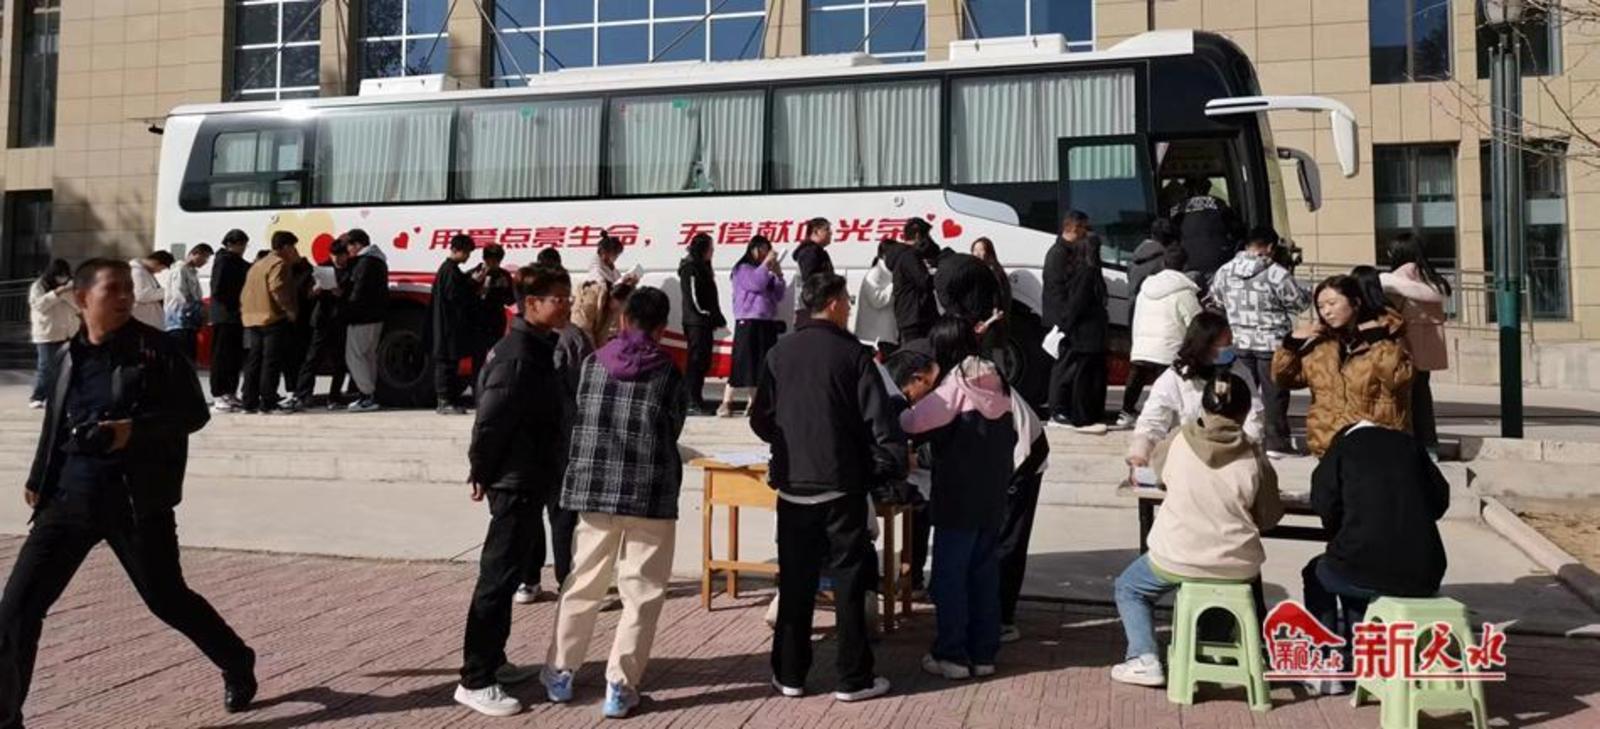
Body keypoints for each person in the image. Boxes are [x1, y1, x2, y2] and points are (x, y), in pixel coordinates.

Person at [1, 259, 258, 728]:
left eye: (128, 289)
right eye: (113, 290)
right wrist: (39, 477)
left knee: (167, 599)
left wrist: (131, 431)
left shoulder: (156, 350)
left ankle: (237, 660)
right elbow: (54, 422)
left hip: (135, 503)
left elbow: (193, 415)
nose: (125, 298)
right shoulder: (67, 355)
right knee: (16, 611)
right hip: (68, 501)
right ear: (82, 298)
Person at [751, 272, 903, 703]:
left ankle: (790, 675)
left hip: (793, 486)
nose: (850, 307)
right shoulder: (854, 355)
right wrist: (883, 466)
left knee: (795, 583)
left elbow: (760, 418)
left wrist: (791, 442)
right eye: (848, 301)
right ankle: (853, 678)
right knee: (849, 584)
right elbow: (880, 424)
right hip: (841, 485)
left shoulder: (780, 352)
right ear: (834, 303)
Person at [541, 287, 688, 719]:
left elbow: (576, 413)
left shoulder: (592, 363)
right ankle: (620, 687)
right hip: (650, 492)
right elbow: (673, 427)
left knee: (583, 582)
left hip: (594, 487)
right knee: (642, 591)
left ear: (623, 320)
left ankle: (561, 672)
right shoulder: (668, 372)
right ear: (661, 329)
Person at [1109, 373, 1282, 688]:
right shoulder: (1254, 455)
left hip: (1176, 555)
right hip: (1237, 563)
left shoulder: (1178, 440)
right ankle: (1214, 650)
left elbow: (1160, 475)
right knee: (1220, 585)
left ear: (1203, 407)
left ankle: (1144, 658)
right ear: (1245, 413)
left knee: (1129, 588)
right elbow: (1269, 516)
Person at [455, 263, 573, 718]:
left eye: (566, 296)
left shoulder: (538, 347)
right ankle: (475, 679)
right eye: (558, 298)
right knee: (497, 577)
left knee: (506, 578)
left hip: (532, 474)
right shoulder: (517, 354)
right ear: (532, 304)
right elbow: (491, 419)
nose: (565, 304)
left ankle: (495, 661)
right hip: (514, 479)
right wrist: (481, 470)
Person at [899, 318, 1017, 680]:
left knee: (950, 577)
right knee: (983, 575)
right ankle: (983, 654)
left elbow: (910, 423)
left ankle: (951, 654)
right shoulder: (997, 380)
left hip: (957, 497)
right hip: (992, 496)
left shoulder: (956, 385)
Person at [1303, 422, 1449, 695]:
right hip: (1424, 572)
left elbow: (1324, 504)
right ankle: (1367, 659)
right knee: (1352, 570)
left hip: (1358, 564)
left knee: (1322, 573)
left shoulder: (1342, 448)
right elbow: (1440, 501)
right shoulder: (1410, 445)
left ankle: (1325, 664)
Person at [1272, 275, 1413, 458]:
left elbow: (1400, 380)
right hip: (1328, 444)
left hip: (1377, 445)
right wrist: (1290, 347)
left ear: (1356, 303)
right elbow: (1284, 380)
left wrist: (1379, 342)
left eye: (1332, 303)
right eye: (1321, 307)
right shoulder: (1321, 345)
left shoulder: (1388, 336)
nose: (1326, 312)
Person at [1208, 225, 1310, 458]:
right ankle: (1276, 442)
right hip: (1271, 342)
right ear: (1271, 247)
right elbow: (1299, 303)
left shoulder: (1225, 270)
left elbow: (1216, 299)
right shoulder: (1276, 273)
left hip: (1239, 340)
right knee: (1274, 393)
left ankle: (1235, 436)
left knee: (1241, 392)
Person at [1127, 312, 1264, 468]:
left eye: (1231, 342)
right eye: (1225, 344)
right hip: (1188, 454)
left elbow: (1254, 414)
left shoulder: (1238, 371)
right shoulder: (1175, 378)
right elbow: (1152, 421)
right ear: (1205, 346)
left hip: (1232, 453)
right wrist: (1140, 453)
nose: (1231, 348)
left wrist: (1249, 450)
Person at [1381, 234, 1450, 457]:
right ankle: (1429, 444)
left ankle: (1405, 445)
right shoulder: (1433, 282)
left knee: (1401, 399)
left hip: (1402, 350)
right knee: (1422, 396)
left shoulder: (1391, 283)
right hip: (1426, 352)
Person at [1119, 246, 1202, 430]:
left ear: (1163, 263)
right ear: (1185, 266)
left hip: (1142, 344)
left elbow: (1137, 316)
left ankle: (1125, 412)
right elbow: (1195, 322)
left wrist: (1136, 341)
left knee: (1137, 376)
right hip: (1169, 348)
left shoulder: (1145, 288)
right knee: (1166, 386)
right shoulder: (1184, 291)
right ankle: (1164, 418)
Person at [1043, 211, 1109, 433]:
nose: (1086, 232)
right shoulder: (1058, 254)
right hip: (1065, 320)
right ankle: (1057, 410)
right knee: (1063, 367)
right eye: (1084, 227)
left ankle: (1066, 408)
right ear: (1073, 227)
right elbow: (1057, 291)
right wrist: (1065, 321)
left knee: (1071, 367)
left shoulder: (1072, 251)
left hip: (1071, 319)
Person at [722, 235, 786, 418]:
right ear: (754, 250)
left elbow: (779, 294)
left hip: (765, 321)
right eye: (764, 250)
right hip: (748, 320)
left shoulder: (764, 271)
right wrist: (766, 264)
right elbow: (756, 284)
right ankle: (727, 402)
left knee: (761, 364)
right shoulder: (743, 269)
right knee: (742, 362)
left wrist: (778, 274)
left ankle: (753, 403)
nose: (767, 254)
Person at [238, 232, 301, 414]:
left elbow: (245, 292)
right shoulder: (279, 264)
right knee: (271, 362)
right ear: (286, 247)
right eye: (293, 247)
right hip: (272, 318)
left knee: (254, 361)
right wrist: (289, 309)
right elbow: (277, 288)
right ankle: (268, 402)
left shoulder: (258, 265)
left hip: (252, 318)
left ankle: (249, 401)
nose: (294, 250)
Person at [292, 238, 353, 410]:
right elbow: (308, 294)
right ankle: (303, 394)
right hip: (322, 318)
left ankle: (334, 396)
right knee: (312, 358)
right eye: (334, 256)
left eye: (340, 256)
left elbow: (353, 294)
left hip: (340, 319)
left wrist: (340, 293)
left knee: (339, 360)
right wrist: (316, 290)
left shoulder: (351, 270)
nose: (337, 259)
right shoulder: (322, 268)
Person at [678, 233, 727, 415]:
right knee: (696, 361)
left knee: (703, 362)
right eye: (710, 248)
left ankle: (697, 398)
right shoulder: (690, 268)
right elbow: (693, 295)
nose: (712, 252)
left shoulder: (703, 266)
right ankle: (690, 401)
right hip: (696, 322)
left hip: (704, 322)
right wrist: (704, 313)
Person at [431, 234, 480, 415]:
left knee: (450, 362)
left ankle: (447, 400)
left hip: (448, 325)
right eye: (466, 253)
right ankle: (444, 401)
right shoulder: (450, 271)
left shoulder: (450, 269)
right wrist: (473, 282)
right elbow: (456, 297)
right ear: (456, 250)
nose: (467, 257)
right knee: (447, 363)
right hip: (448, 326)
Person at [342, 229, 387, 413]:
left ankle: (366, 395)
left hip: (361, 317)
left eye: (349, 246)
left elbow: (358, 292)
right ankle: (370, 395)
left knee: (354, 356)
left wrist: (347, 310)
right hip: (376, 316)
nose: (348, 250)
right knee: (368, 356)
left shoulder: (364, 263)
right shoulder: (378, 260)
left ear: (358, 244)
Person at [1170, 177, 1243, 284]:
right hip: (1217, 259)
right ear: (1208, 188)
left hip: (1188, 261)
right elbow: (1235, 229)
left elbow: (1170, 232)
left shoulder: (1179, 208)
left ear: (1190, 190)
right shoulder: (1219, 203)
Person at [208, 230, 251, 412]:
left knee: (234, 358)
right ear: (232, 244)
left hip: (235, 317)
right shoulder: (223, 261)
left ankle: (230, 392)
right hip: (225, 316)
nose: (243, 249)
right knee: (221, 357)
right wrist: (234, 304)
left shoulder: (237, 262)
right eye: (241, 245)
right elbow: (217, 289)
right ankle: (218, 394)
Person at [27, 260, 78, 409]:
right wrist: (57, 293)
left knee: (67, 368)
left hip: (67, 332)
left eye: (65, 275)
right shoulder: (39, 286)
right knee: (46, 367)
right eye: (59, 275)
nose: (62, 278)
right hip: (47, 333)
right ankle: (38, 396)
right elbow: (39, 305)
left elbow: (77, 305)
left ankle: (62, 397)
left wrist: (66, 292)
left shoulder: (69, 287)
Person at [572, 234, 636, 348]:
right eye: (615, 255)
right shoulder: (596, 272)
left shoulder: (610, 268)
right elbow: (604, 288)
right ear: (605, 253)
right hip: (601, 323)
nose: (616, 258)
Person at [891, 219, 940, 343]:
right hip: (917, 317)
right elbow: (924, 281)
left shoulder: (900, 255)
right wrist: (938, 275)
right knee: (920, 351)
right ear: (918, 236)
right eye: (927, 235)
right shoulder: (910, 256)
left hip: (908, 316)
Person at [931, 243, 1001, 327]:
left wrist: (967, 320)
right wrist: (995, 306)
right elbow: (994, 285)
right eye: (975, 250)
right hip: (985, 316)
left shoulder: (942, 273)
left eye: (981, 250)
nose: (977, 253)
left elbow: (948, 302)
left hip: (971, 321)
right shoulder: (973, 261)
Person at [163, 245, 213, 360]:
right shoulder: (180, 270)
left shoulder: (193, 272)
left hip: (190, 321)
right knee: (181, 356)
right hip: (179, 320)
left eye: (207, 258)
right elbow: (179, 295)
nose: (205, 261)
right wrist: (197, 308)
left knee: (190, 355)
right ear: (194, 254)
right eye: (204, 257)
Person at [854, 239, 900, 352]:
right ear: (885, 255)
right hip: (875, 337)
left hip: (886, 335)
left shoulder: (887, 272)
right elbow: (878, 300)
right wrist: (895, 284)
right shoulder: (874, 274)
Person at [472, 243, 517, 359]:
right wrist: (476, 285)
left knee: (496, 354)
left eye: (497, 262)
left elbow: (511, 301)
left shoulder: (504, 275)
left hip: (496, 321)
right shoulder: (474, 273)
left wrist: (505, 288)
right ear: (485, 259)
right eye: (490, 261)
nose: (494, 265)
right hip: (478, 321)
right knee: (478, 356)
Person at [1127, 219, 1177, 307]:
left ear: (1152, 234)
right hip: (1155, 309)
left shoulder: (1135, 257)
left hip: (1135, 308)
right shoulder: (1164, 260)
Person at [130, 251, 173, 330]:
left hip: (150, 321)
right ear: (156, 262)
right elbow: (141, 295)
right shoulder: (137, 272)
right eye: (161, 268)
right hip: (144, 320)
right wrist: (168, 291)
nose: (159, 271)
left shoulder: (145, 272)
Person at [792, 217, 835, 281]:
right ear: (816, 232)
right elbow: (811, 281)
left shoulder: (817, 251)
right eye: (827, 229)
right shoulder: (809, 252)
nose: (831, 232)